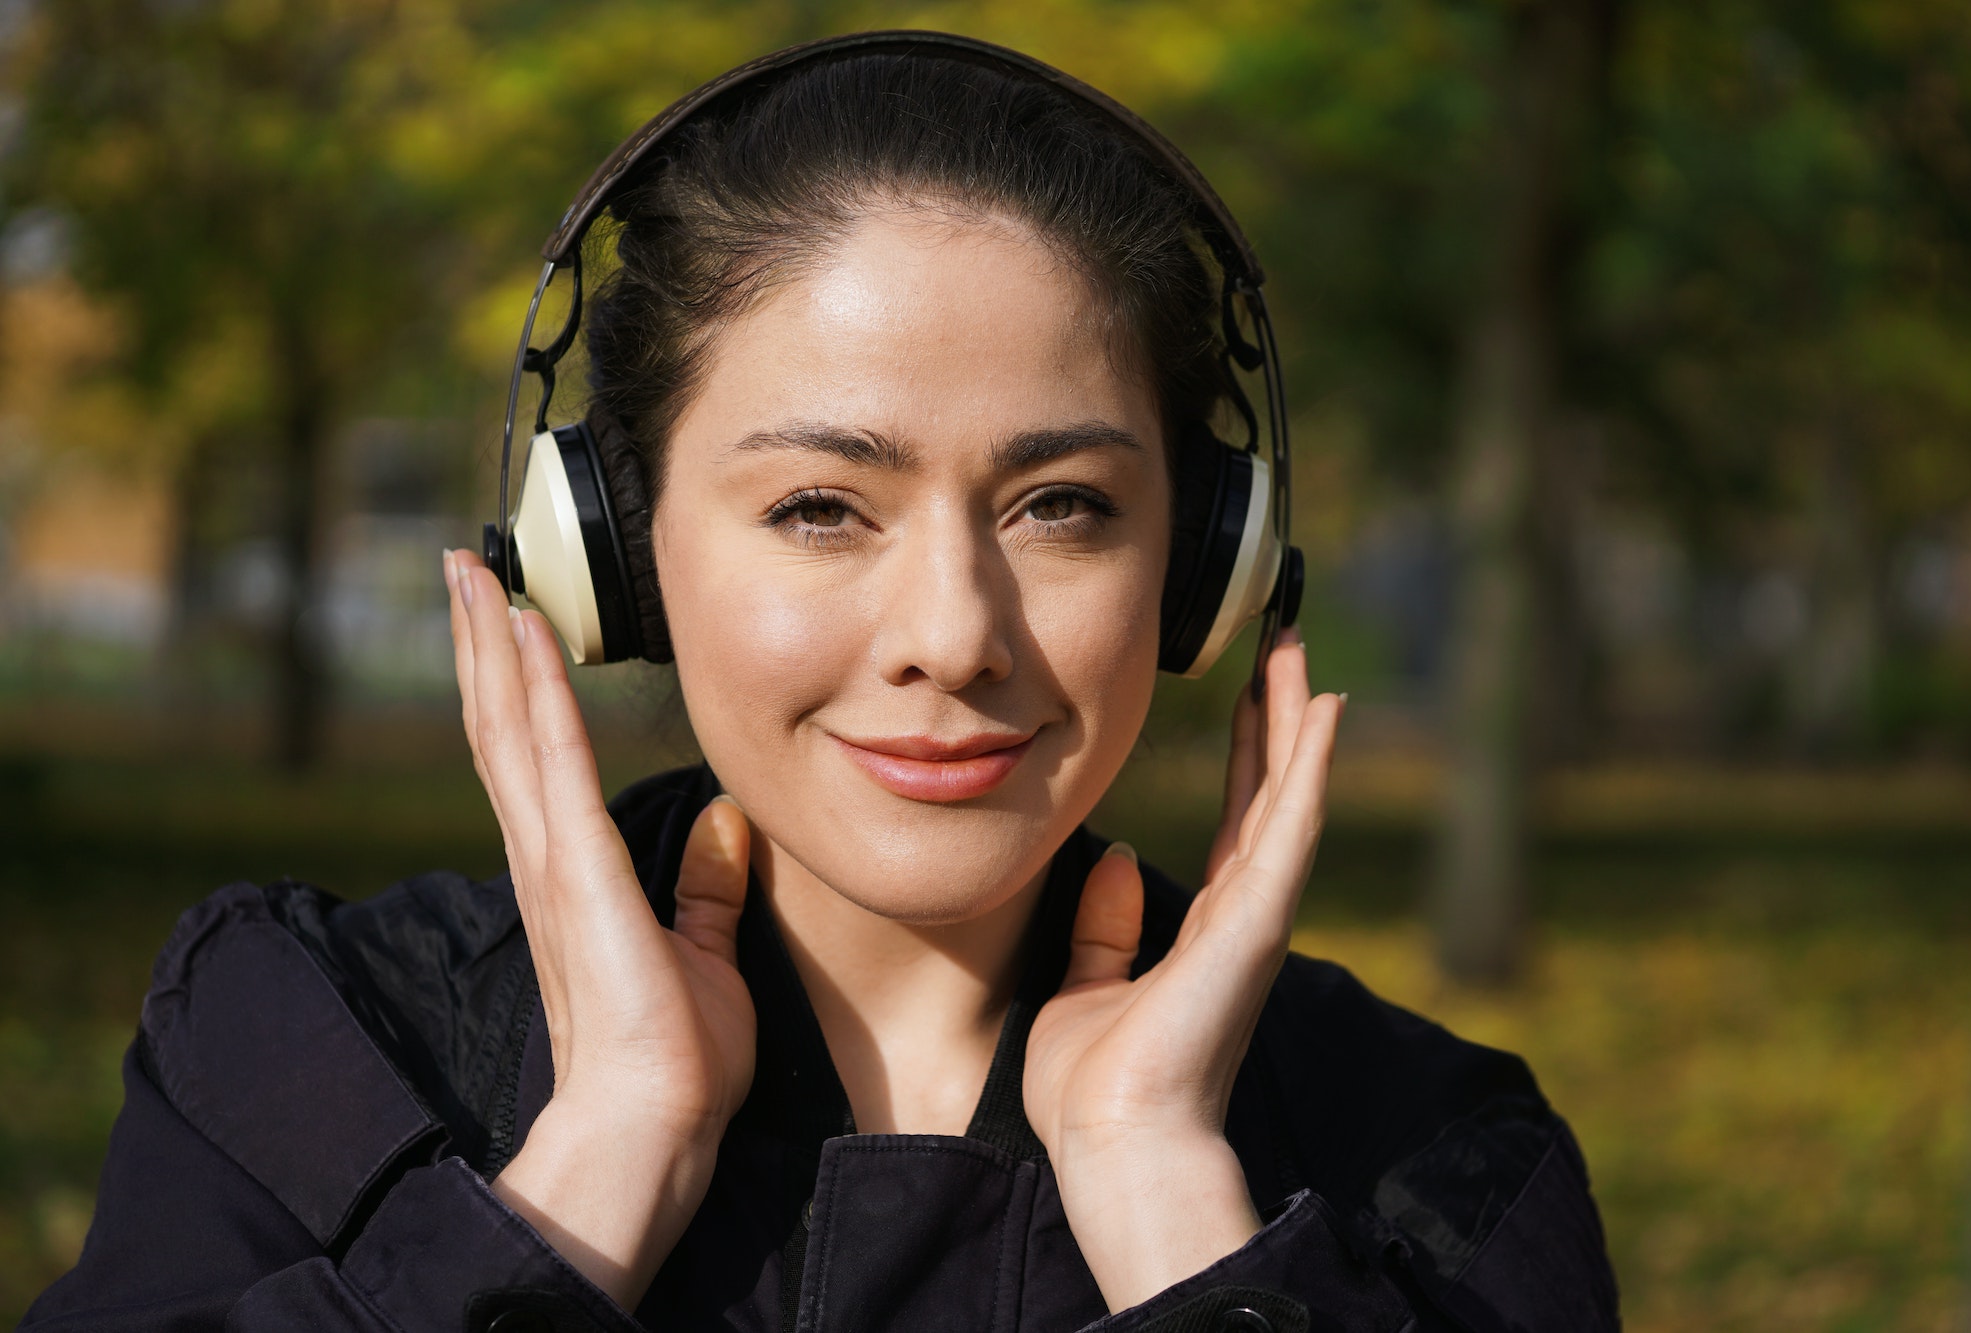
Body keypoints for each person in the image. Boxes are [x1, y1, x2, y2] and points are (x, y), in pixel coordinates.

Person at [25, 33, 1619, 1333]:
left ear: (1207, 566)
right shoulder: (315, 1050)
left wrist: (1177, 1213)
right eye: (819, 508)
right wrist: (597, 1164)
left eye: (1061, 504)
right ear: (611, 552)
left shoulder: (1433, 1161)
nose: (954, 632)